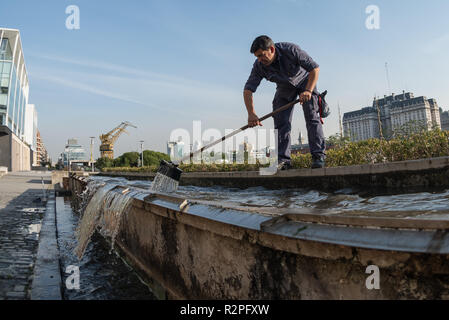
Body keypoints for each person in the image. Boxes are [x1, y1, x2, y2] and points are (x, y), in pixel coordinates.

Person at [243, 35, 326, 169]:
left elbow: (314, 69)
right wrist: (251, 113)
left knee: (312, 117)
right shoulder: (259, 66)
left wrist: (309, 91)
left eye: (262, 55)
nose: (260, 60)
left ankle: (318, 156)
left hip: (305, 81)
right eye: (257, 57)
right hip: (284, 88)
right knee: (281, 123)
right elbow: (248, 90)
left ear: (271, 49)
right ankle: (284, 161)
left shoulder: (290, 50)